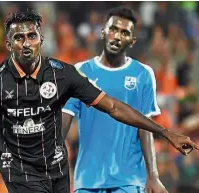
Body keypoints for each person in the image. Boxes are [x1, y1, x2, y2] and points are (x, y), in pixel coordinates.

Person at [0, 10, 199, 193]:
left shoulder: (64, 74)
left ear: (41, 39)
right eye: (19, 37)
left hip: (56, 166)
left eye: (32, 35)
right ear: (8, 44)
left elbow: (114, 107)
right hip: (18, 168)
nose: (26, 42)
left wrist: (165, 132)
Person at [62, 6, 170, 193]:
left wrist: (153, 175)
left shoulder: (143, 74)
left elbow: (145, 128)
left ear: (132, 40)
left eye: (124, 32)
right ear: (103, 32)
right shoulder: (80, 71)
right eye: (113, 29)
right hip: (88, 180)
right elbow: (63, 121)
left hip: (129, 180)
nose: (117, 36)